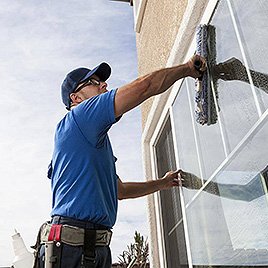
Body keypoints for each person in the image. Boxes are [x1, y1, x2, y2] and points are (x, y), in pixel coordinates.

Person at [37, 54, 206, 268]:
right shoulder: (80, 118)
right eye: (94, 83)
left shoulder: (91, 143)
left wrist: (163, 183)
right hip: (73, 249)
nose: (104, 85)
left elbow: (120, 191)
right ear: (76, 98)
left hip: (91, 248)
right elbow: (145, 86)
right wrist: (188, 69)